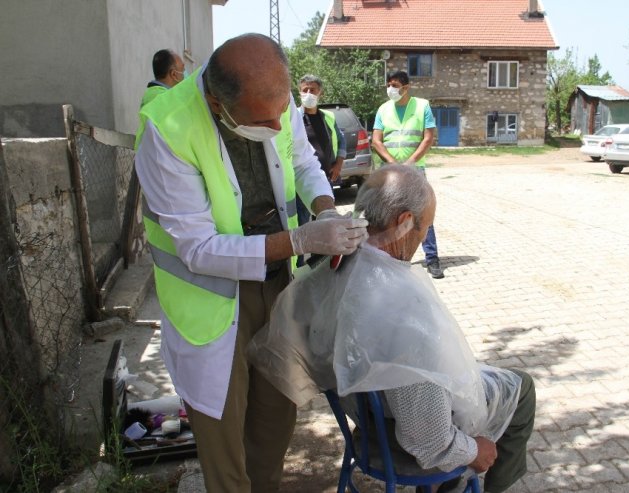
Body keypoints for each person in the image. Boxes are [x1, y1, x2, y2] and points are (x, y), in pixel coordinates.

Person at [134, 33, 368, 492]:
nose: (280, 126)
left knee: (274, 422)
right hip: (211, 304)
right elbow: (199, 249)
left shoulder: (274, 100)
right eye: (265, 119)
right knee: (224, 443)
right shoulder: (167, 129)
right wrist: (301, 238)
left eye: (283, 112)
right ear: (218, 103)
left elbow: (303, 161)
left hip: (277, 286)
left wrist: (325, 211)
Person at [250, 164, 536, 493]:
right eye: (424, 227)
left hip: (366, 412)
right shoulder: (404, 315)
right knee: (523, 387)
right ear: (403, 223)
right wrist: (476, 451)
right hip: (396, 431)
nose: (425, 236)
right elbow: (430, 442)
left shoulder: (338, 261)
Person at [371, 70, 444, 279]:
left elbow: (428, 138)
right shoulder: (383, 109)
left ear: (406, 87)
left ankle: (432, 259)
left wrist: (410, 163)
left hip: (415, 170)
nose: (390, 89)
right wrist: (393, 163)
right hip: (390, 171)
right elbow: (376, 140)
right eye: (388, 85)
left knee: (421, 213)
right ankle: (392, 260)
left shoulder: (422, 106)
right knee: (390, 216)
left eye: (394, 85)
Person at [294, 74, 347, 266]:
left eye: (312, 90)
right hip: (301, 181)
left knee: (324, 220)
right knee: (302, 222)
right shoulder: (294, 118)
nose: (308, 93)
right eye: (305, 90)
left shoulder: (328, 117)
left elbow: (342, 141)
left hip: (325, 179)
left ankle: (321, 260)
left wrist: (338, 164)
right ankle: (299, 264)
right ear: (299, 92)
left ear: (320, 93)